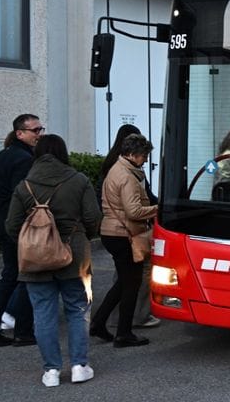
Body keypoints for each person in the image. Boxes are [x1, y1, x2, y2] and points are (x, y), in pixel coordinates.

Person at [4, 134, 102, 386]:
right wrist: (81, 236)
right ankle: (80, 365)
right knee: (77, 310)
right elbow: (93, 217)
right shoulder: (79, 180)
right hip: (74, 256)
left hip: (36, 260)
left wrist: (33, 243)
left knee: (43, 315)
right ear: (63, 153)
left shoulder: (25, 185)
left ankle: (51, 372)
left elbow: (12, 225)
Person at [0, 114, 42, 348]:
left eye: (40, 129)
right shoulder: (24, 160)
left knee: (10, 276)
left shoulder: (2, 157)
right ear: (20, 133)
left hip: (3, 223)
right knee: (27, 276)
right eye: (34, 130)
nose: (39, 134)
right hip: (17, 227)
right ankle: (22, 331)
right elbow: (23, 197)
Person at [90, 134, 157, 347]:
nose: (145, 160)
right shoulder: (127, 176)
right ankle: (123, 333)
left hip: (113, 232)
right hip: (123, 234)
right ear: (131, 154)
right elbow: (134, 211)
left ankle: (99, 323)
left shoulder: (117, 169)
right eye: (143, 156)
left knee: (123, 282)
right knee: (132, 284)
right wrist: (159, 208)